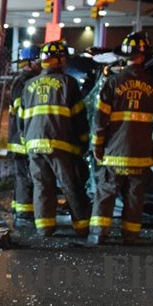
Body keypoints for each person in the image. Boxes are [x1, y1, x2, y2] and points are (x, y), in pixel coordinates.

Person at [87, 32, 153, 246]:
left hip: (115, 151)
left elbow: (100, 118)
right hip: (140, 153)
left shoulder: (112, 82)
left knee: (106, 193)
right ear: (145, 56)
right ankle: (130, 235)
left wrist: (97, 145)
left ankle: (98, 235)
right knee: (135, 196)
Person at [17, 40, 91, 237]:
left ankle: (45, 228)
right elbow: (79, 118)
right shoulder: (68, 83)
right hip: (60, 144)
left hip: (33, 144)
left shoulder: (28, 85)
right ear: (59, 61)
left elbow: (21, 120)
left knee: (41, 185)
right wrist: (83, 142)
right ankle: (82, 227)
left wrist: (26, 144)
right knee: (70, 184)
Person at [6, 44, 41, 225]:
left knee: (22, 174)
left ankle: (18, 208)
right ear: (31, 62)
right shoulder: (23, 82)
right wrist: (25, 136)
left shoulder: (24, 80)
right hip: (21, 138)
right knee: (24, 175)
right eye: (39, 61)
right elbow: (21, 112)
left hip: (21, 137)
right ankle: (24, 214)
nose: (42, 64)